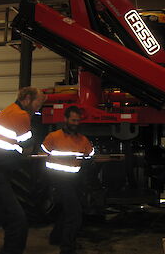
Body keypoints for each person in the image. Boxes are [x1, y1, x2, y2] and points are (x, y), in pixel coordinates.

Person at [0, 87, 46, 254]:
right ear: (27, 98)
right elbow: (27, 143)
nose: (39, 107)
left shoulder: (8, 110)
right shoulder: (21, 115)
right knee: (17, 221)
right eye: (38, 102)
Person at [41, 105, 94, 254]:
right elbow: (42, 155)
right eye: (73, 120)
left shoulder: (83, 140)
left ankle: (56, 237)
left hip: (74, 180)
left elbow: (90, 155)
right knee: (74, 214)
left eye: (78, 120)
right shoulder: (53, 137)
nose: (75, 123)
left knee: (67, 211)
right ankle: (67, 248)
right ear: (65, 119)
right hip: (58, 180)